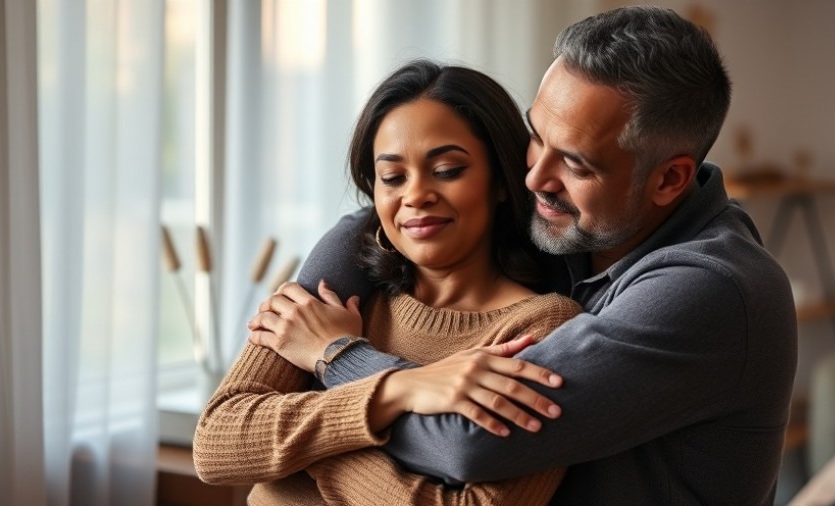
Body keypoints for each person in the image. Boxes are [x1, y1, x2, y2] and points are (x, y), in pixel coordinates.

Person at [258, 5, 798, 505]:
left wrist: (336, 362)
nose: (536, 176)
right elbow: (224, 434)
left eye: (577, 164)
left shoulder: (711, 290)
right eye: (536, 135)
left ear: (669, 179)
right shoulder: (569, 221)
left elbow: (468, 444)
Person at [193, 59, 583, 505]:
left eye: (448, 170)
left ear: (501, 181)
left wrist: (320, 445)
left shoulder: (542, 328)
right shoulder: (337, 293)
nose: (415, 195)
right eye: (393, 177)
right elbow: (217, 442)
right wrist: (400, 388)